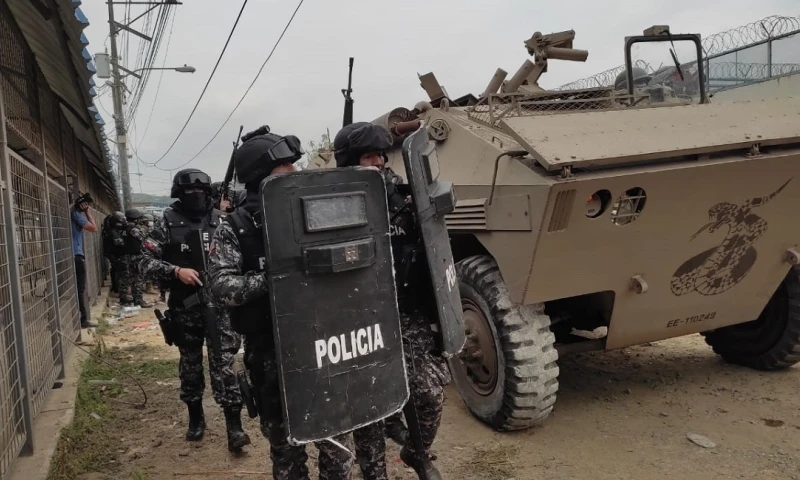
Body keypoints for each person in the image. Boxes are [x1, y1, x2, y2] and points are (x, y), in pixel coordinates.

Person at [207, 130, 353, 480]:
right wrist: (275, 279)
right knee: (286, 449)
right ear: (262, 174)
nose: (294, 170)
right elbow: (221, 287)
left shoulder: (314, 208)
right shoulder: (234, 227)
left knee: (336, 443)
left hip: (323, 343)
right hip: (270, 349)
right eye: (286, 165)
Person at [333, 121, 450, 479]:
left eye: (382, 156)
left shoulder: (404, 196)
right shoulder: (332, 204)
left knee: (428, 394)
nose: (380, 163)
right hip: (358, 320)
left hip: (407, 314)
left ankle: (418, 452)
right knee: (369, 409)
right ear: (351, 161)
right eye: (370, 157)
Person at [140, 169, 250, 453]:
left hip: (221, 309)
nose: (196, 196)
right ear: (179, 194)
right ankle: (196, 418)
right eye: (189, 193)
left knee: (225, 366)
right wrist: (175, 271)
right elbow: (142, 260)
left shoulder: (222, 221)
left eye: (200, 192)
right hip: (185, 307)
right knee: (190, 366)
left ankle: (234, 427)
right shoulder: (166, 222)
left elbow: (243, 257)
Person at [71, 192, 98, 329]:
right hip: (76, 255)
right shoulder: (76, 215)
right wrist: (88, 213)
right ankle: (83, 319)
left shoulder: (68, 214)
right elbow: (94, 228)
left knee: (69, 289)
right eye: (86, 205)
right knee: (80, 288)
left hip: (66, 255)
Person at [119, 209, 153, 308]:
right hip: (134, 256)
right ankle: (138, 300)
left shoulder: (123, 228)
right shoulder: (134, 229)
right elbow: (142, 238)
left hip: (125, 255)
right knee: (138, 278)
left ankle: (125, 298)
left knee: (126, 278)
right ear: (136, 219)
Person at [102, 211, 127, 297]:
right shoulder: (112, 231)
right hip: (114, 254)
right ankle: (118, 290)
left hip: (113, 253)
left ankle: (116, 288)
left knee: (115, 270)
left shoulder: (113, 230)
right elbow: (119, 243)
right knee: (119, 271)